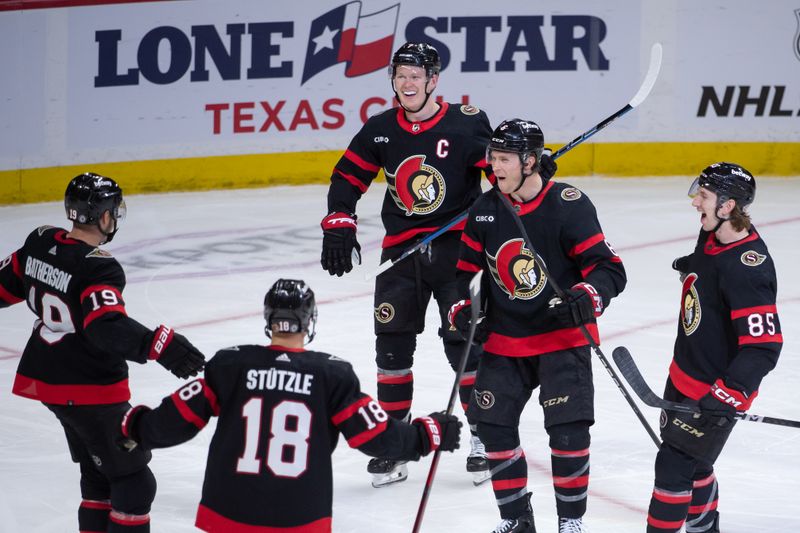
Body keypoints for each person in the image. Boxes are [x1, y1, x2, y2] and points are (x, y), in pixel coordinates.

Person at [319, 40, 556, 488]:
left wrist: (531, 170)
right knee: (390, 350)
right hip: (400, 256)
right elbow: (348, 176)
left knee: (464, 345)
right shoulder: (382, 128)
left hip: (457, 255)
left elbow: (497, 174)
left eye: (416, 76)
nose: (407, 84)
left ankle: (484, 436)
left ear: (433, 80)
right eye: (400, 75)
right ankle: (394, 443)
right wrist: (339, 221)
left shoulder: (466, 124)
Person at [117, 278, 462, 532]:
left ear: (269, 318)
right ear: (308, 321)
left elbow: (179, 417)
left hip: (228, 510)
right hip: (299, 514)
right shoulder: (331, 374)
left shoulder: (230, 365)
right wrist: (425, 434)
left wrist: (137, 428)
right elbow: (374, 436)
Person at [0, 172, 206, 533]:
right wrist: (161, 344)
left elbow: (4, 287)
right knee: (134, 483)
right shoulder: (98, 266)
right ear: (105, 216)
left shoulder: (39, 241)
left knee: (99, 475)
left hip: (47, 378)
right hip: (89, 387)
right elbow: (104, 327)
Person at [448, 119, 627, 533]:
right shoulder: (486, 209)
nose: (495, 167)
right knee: (493, 427)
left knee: (567, 434)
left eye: (504, 159)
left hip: (561, 339)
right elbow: (464, 275)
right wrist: (462, 309)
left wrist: (586, 296)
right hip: (505, 341)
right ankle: (516, 521)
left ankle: (570, 523)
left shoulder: (569, 203)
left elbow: (608, 269)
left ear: (530, 162)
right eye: (492, 158)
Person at [644, 163, 782, 533]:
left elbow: (764, 348)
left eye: (703, 196)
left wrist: (727, 395)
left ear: (727, 206)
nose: (694, 202)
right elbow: (710, 271)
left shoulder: (748, 269)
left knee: (673, 466)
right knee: (696, 465)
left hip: (715, 390)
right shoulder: (712, 236)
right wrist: (692, 266)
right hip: (684, 375)